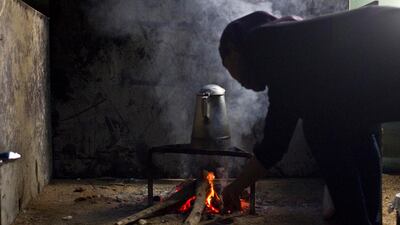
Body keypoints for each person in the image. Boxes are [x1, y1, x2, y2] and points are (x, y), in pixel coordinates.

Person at [219, 6, 400, 225]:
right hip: (387, 35)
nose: (239, 82)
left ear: (234, 49)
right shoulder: (291, 36)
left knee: (320, 128)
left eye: (231, 70)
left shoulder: (266, 44)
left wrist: (236, 187)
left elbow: (275, 143)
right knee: (345, 125)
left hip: (387, 46)